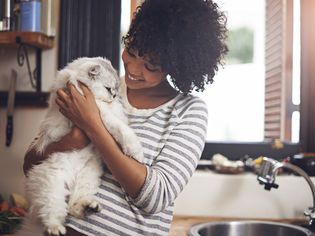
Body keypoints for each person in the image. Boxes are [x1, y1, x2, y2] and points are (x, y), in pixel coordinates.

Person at [23, 0, 228, 235]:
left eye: (150, 66)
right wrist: (69, 143)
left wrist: (93, 126)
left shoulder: (189, 111)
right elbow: (30, 164)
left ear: (175, 66)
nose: (133, 68)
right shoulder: (99, 87)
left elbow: (155, 197)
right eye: (131, 51)